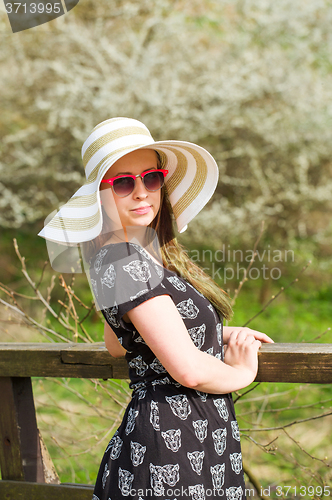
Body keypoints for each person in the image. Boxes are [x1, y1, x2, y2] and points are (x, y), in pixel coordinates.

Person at [39, 117, 273, 500]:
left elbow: (119, 344)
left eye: (151, 178)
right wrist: (244, 371)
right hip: (173, 450)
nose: (142, 193)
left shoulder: (124, 257)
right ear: (98, 196)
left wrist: (219, 333)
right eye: (123, 183)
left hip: (183, 441)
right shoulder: (125, 260)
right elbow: (189, 370)